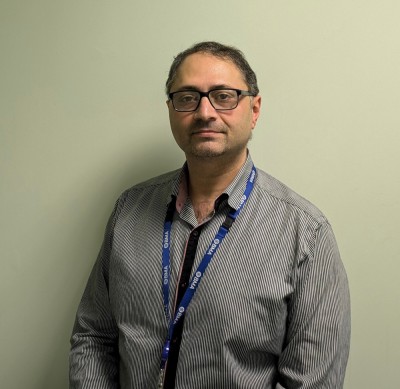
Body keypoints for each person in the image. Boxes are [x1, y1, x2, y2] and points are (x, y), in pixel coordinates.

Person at [69, 41, 350, 389]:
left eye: (224, 96)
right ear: (171, 109)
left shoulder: (306, 233)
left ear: (255, 109)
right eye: (188, 97)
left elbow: (313, 381)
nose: (205, 112)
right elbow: (93, 337)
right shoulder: (129, 209)